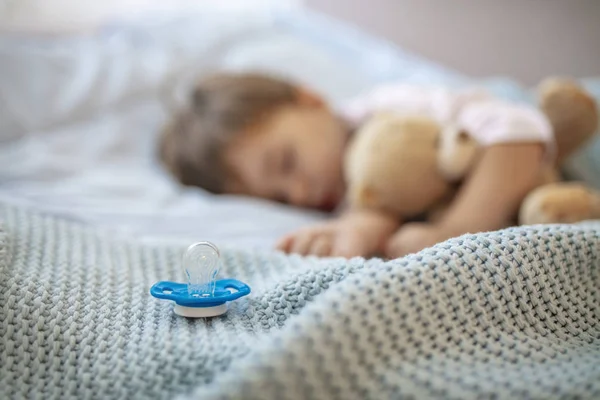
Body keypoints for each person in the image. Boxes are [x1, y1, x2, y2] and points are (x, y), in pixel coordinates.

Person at [157, 72, 579, 259]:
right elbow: (387, 203)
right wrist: (362, 226)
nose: (299, 194)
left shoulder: (392, 110)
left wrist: (455, 230)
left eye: (286, 163)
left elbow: (516, 129)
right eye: (278, 197)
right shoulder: (344, 202)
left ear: (311, 101)